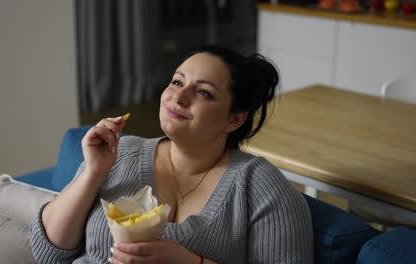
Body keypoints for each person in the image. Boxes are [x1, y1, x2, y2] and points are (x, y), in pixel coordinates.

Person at [29, 45, 314, 263]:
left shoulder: (261, 188)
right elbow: (48, 254)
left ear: (234, 120)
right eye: (177, 82)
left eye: (203, 92)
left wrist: (193, 262)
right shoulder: (121, 155)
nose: (179, 96)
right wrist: (94, 174)